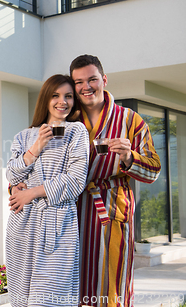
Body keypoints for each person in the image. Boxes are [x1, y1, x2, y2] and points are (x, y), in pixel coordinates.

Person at [70, 54, 161, 307]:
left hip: (110, 210)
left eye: (92, 79)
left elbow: (153, 170)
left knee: (112, 285)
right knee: (71, 284)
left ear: (104, 79)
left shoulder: (130, 120)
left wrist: (129, 157)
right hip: (71, 212)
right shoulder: (67, 121)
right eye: (78, 82)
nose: (86, 87)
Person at [6, 74, 89, 307]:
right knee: (22, 299)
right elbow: (12, 176)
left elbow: (75, 181)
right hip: (23, 225)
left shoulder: (76, 131)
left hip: (58, 224)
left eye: (68, 96)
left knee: (47, 300)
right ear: (45, 98)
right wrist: (36, 147)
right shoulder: (23, 136)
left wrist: (30, 192)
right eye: (55, 95)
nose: (62, 102)